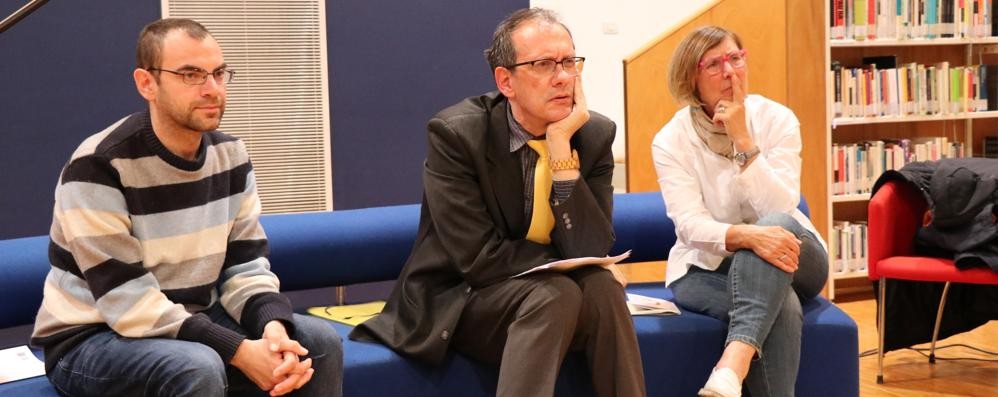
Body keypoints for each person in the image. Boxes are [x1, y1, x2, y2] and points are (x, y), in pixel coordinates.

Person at [30, 18, 342, 397]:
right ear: (147, 83)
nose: (212, 89)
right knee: (197, 366)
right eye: (191, 75)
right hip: (91, 336)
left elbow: (245, 266)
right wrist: (239, 351)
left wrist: (271, 327)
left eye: (218, 73)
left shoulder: (231, 155)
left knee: (317, 342)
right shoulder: (98, 165)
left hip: (193, 317)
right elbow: (126, 300)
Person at [350, 7, 646, 397]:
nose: (563, 77)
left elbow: (591, 247)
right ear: (505, 81)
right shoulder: (457, 135)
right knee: (557, 293)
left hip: (546, 298)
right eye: (543, 64)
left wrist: (560, 154)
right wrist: (564, 267)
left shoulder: (592, 135)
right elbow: (477, 259)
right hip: (462, 299)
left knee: (603, 291)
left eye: (569, 62)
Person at [651, 26, 829, 397]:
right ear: (691, 77)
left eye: (735, 58)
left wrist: (743, 140)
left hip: (798, 255)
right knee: (783, 308)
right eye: (713, 64)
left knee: (776, 224)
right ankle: (731, 376)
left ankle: (731, 364)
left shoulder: (777, 119)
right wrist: (747, 237)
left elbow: (782, 207)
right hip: (704, 267)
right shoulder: (671, 140)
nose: (730, 71)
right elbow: (689, 226)